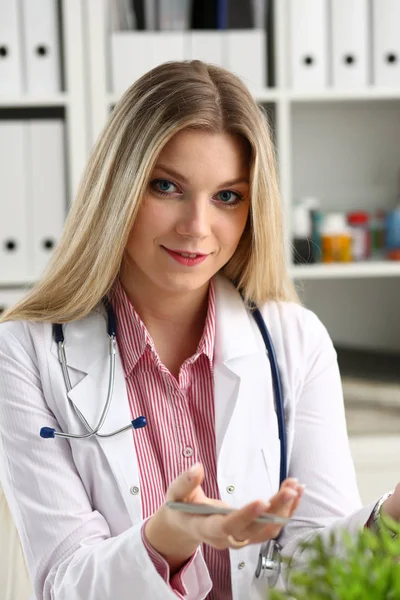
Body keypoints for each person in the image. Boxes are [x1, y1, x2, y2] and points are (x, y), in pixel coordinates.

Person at [0, 60, 398, 600]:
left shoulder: (295, 342)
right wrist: (166, 536)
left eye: (227, 196)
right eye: (167, 187)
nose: (197, 227)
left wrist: (391, 516)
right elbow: (64, 583)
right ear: (119, 188)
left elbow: (315, 572)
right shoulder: (25, 349)